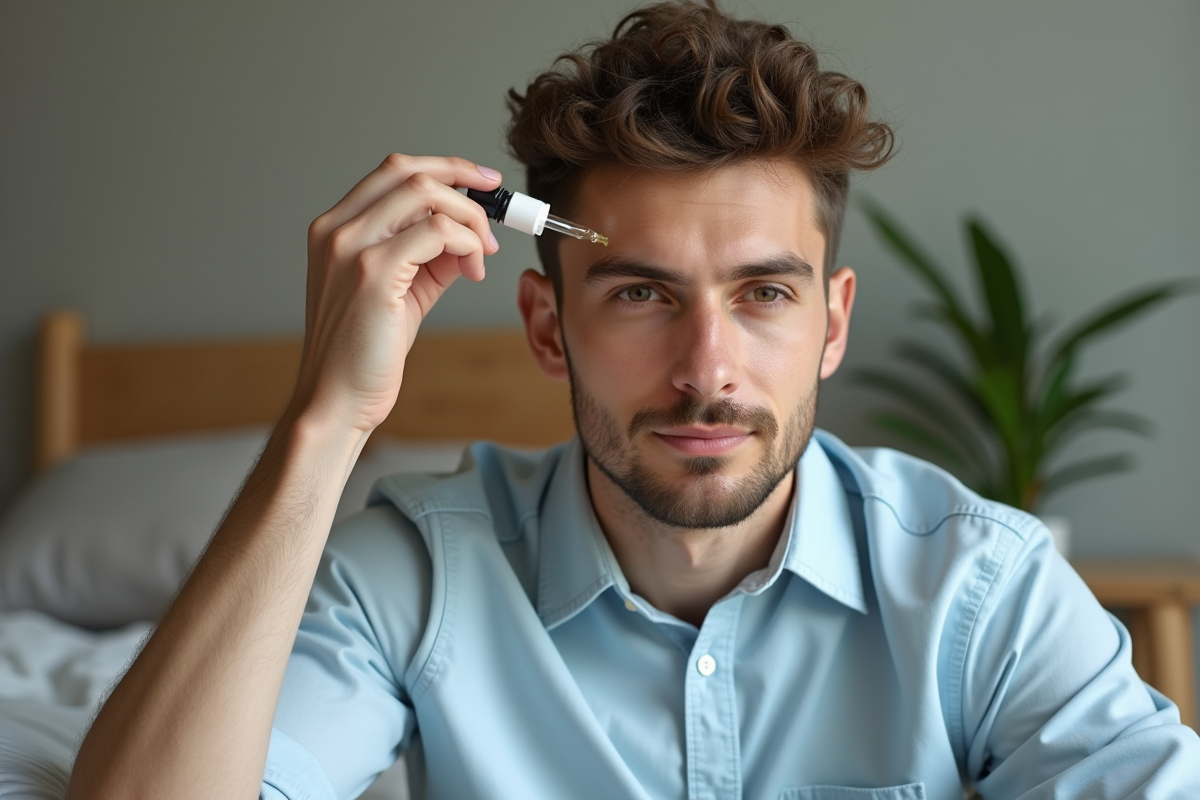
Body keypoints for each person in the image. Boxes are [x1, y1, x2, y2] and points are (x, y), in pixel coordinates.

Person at [68, 2, 1200, 799]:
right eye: (643, 293)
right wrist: (325, 424)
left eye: (765, 293)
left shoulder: (978, 586)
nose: (708, 368)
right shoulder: (414, 576)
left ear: (833, 324)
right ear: (547, 326)